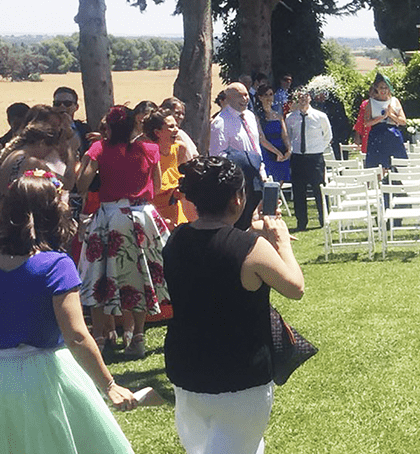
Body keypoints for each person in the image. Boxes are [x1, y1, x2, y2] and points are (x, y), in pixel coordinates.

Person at [165, 156, 305, 454]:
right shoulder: (253, 249)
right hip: (239, 376)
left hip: (187, 370)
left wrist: (251, 231)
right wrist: (281, 241)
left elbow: (214, 246)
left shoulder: (176, 239)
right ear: (238, 197)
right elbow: (295, 287)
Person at [0, 171, 138, 453]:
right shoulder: (55, 265)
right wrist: (109, 384)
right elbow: (76, 335)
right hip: (46, 376)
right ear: (52, 214)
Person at [76, 105, 171, 359]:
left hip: (109, 215)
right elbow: (158, 184)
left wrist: (88, 158)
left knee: (99, 275)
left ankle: (99, 338)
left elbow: (82, 182)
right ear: (133, 125)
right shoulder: (150, 149)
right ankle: (137, 337)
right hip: (141, 215)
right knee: (138, 275)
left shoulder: (99, 149)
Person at [209, 83, 265, 230]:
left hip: (256, 175)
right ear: (228, 98)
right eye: (240, 95)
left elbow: (256, 145)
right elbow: (217, 155)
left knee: (258, 215)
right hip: (238, 178)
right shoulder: (220, 122)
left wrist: (261, 169)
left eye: (246, 94)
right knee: (241, 219)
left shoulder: (250, 116)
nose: (245, 98)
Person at [286, 88, 332, 231]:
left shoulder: (320, 116)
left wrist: (318, 148)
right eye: (300, 97)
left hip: (315, 158)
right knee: (299, 190)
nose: (303, 100)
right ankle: (301, 221)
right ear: (297, 99)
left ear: (310, 98)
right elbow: (288, 136)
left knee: (319, 188)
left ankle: (323, 218)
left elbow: (328, 136)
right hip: (298, 157)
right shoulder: (290, 118)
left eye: (305, 97)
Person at [144, 109, 197, 229]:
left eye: (176, 126)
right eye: (171, 127)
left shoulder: (180, 149)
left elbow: (186, 182)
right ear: (157, 132)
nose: (176, 130)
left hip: (177, 216)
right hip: (153, 219)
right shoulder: (148, 154)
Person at [355, 73, 408, 169]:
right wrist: (380, 118)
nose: (383, 90)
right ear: (376, 88)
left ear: (389, 89)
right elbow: (366, 123)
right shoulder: (371, 102)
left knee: (395, 164)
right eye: (381, 87)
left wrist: (390, 115)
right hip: (377, 135)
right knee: (377, 164)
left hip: (393, 135)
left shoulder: (395, 101)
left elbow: (403, 121)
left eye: (385, 88)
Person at [254, 85, 291, 185]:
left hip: (281, 150)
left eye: (271, 94)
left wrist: (288, 149)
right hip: (268, 151)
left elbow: (285, 135)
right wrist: (276, 152)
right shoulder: (257, 116)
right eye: (265, 95)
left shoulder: (278, 116)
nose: (268, 97)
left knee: (281, 180)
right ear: (260, 97)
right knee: (270, 181)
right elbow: (262, 139)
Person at [311, 85, 353, 160]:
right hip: (320, 136)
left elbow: (341, 120)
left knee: (339, 156)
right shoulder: (314, 104)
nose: (320, 96)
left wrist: (333, 135)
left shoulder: (334, 102)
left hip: (337, 133)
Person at [52, 86, 91, 157]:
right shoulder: (46, 129)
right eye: (57, 103)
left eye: (67, 103)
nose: (62, 106)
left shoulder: (84, 129)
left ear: (76, 107)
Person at [160, 97, 199, 162]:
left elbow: (191, 157)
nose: (181, 117)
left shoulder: (180, 134)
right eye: (177, 113)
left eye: (182, 114)